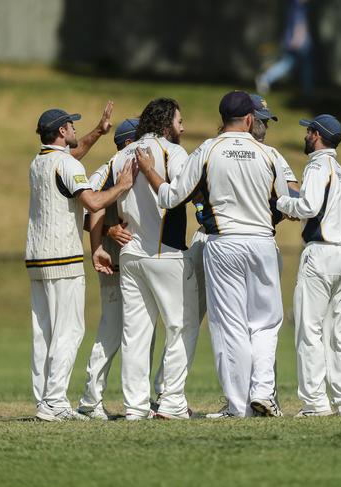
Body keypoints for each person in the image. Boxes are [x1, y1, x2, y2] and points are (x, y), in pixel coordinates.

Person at [135, 91, 289, 418]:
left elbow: (172, 197)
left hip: (223, 243)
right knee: (265, 322)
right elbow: (285, 203)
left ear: (223, 120)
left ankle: (238, 405)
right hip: (262, 241)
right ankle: (263, 391)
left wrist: (149, 171)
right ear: (250, 119)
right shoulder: (269, 154)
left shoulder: (208, 149)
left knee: (228, 325)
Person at [26, 107, 134, 421]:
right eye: (71, 126)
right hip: (63, 257)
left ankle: (44, 400)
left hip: (36, 257)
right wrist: (122, 186)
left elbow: (74, 159)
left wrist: (99, 132)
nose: (75, 130)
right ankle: (56, 402)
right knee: (69, 330)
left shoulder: (40, 161)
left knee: (42, 333)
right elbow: (94, 202)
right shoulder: (68, 164)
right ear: (62, 132)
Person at [101, 98, 201, 420]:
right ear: (165, 123)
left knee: (135, 335)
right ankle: (171, 403)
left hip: (130, 254)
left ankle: (135, 408)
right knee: (181, 327)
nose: (182, 127)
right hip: (166, 252)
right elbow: (184, 193)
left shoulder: (120, 156)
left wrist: (110, 226)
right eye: (179, 120)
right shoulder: (174, 152)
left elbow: (93, 198)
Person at [277, 114, 341, 417]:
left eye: (309, 131)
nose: (306, 135)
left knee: (309, 329)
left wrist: (282, 203)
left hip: (322, 253)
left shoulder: (316, 165)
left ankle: (315, 403)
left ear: (317, 135)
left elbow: (308, 207)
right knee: (338, 332)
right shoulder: (338, 167)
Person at [76, 119, 139, 420]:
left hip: (138, 261)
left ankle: (140, 401)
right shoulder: (111, 167)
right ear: (129, 144)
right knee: (111, 328)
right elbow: (86, 211)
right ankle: (90, 399)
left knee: (140, 332)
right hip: (113, 261)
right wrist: (109, 229)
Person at [255, 0, 313, 97]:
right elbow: (299, 24)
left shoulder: (292, 5)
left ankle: (266, 78)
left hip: (292, 40)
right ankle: (308, 92)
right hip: (300, 42)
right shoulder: (298, 6)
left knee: (288, 64)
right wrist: (297, 39)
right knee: (305, 66)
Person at [250, 93, 300, 194]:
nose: (265, 127)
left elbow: (294, 190)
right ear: (246, 119)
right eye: (260, 122)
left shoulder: (273, 153)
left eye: (266, 122)